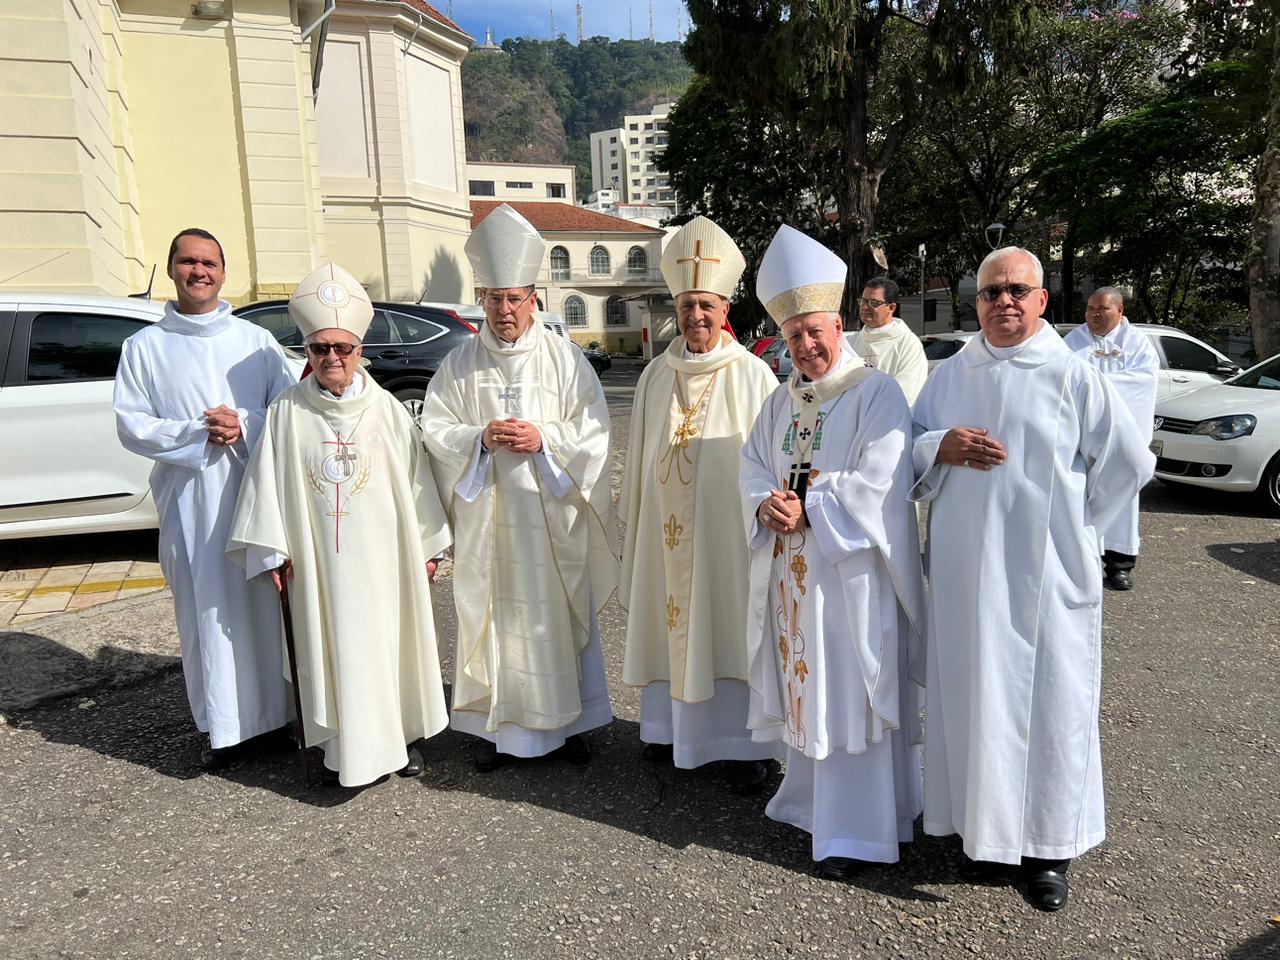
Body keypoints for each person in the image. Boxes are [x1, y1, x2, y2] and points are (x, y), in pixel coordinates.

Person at [911, 247, 1155, 911]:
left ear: (1043, 300)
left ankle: (1049, 851)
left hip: (1048, 581)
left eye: (1018, 289)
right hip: (967, 581)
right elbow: (904, 449)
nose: (1004, 301)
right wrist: (941, 447)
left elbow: (1129, 463)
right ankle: (981, 839)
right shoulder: (950, 374)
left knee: (1051, 707)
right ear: (976, 302)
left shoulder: (1072, 375)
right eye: (991, 292)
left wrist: (1079, 533)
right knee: (974, 700)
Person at [739, 225, 926, 880]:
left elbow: (884, 481)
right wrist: (765, 503)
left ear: (839, 324)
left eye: (814, 331)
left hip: (850, 579)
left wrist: (810, 503)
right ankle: (815, 807)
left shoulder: (877, 393)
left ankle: (862, 832)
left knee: (851, 694)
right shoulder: (780, 402)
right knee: (808, 691)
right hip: (794, 579)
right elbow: (753, 466)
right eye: (794, 337)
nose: (806, 346)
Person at [227, 263, 452, 788]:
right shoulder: (286, 412)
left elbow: (418, 481)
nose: (331, 358)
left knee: (388, 644)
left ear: (360, 351)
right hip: (316, 566)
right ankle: (338, 747)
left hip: (384, 564)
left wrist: (428, 547)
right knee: (328, 649)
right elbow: (264, 487)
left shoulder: (389, 411)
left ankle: (398, 740)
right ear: (306, 353)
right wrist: (271, 552)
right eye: (319, 348)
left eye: (341, 348)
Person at [419, 203, 618, 772]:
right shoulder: (458, 364)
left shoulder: (565, 359)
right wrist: (479, 437)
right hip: (490, 526)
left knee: (553, 614)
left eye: (516, 298)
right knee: (498, 616)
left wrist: (545, 439)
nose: (505, 310)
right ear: (481, 298)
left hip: (551, 519)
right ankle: (502, 731)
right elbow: (434, 430)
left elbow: (594, 431)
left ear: (534, 297)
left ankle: (571, 721)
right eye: (495, 298)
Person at [113, 228, 296, 769]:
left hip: (249, 494)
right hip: (189, 499)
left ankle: (276, 719)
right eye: (189, 262)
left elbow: (288, 411)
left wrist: (243, 422)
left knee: (262, 606)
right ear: (171, 268)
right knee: (206, 611)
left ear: (224, 271)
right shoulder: (144, 347)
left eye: (210, 263)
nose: (200, 272)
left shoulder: (254, 342)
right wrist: (197, 433)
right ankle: (223, 727)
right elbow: (131, 424)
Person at [619, 216, 781, 793]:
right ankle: (669, 731)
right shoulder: (653, 377)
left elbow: (773, 462)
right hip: (666, 535)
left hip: (729, 537)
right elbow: (638, 459)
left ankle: (746, 746)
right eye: (687, 305)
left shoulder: (755, 376)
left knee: (731, 623)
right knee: (671, 620)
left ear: (724, 307)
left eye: (706, 305)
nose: (696, 317)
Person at [1063, 288, 1159, 591]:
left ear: (1119, 311)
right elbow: (1060, 377)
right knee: (1077, 496)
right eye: (1090, 308)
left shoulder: (1138, 345)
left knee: (1122, 499)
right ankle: (1082, 557)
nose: (1093, 314)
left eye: (1101, 309)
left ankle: (1119, 564)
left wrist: (1092, 386)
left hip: (1120, 437)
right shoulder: (1072, 342)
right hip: (1082, 436)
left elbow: (1142, 382)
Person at [846, 277, 928, 405]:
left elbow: (906, 392)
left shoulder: (907, 344)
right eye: (863, 301)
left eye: (873, 303)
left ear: (891, 308)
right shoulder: (850, 342)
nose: (865, 307)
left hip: (888, 418)